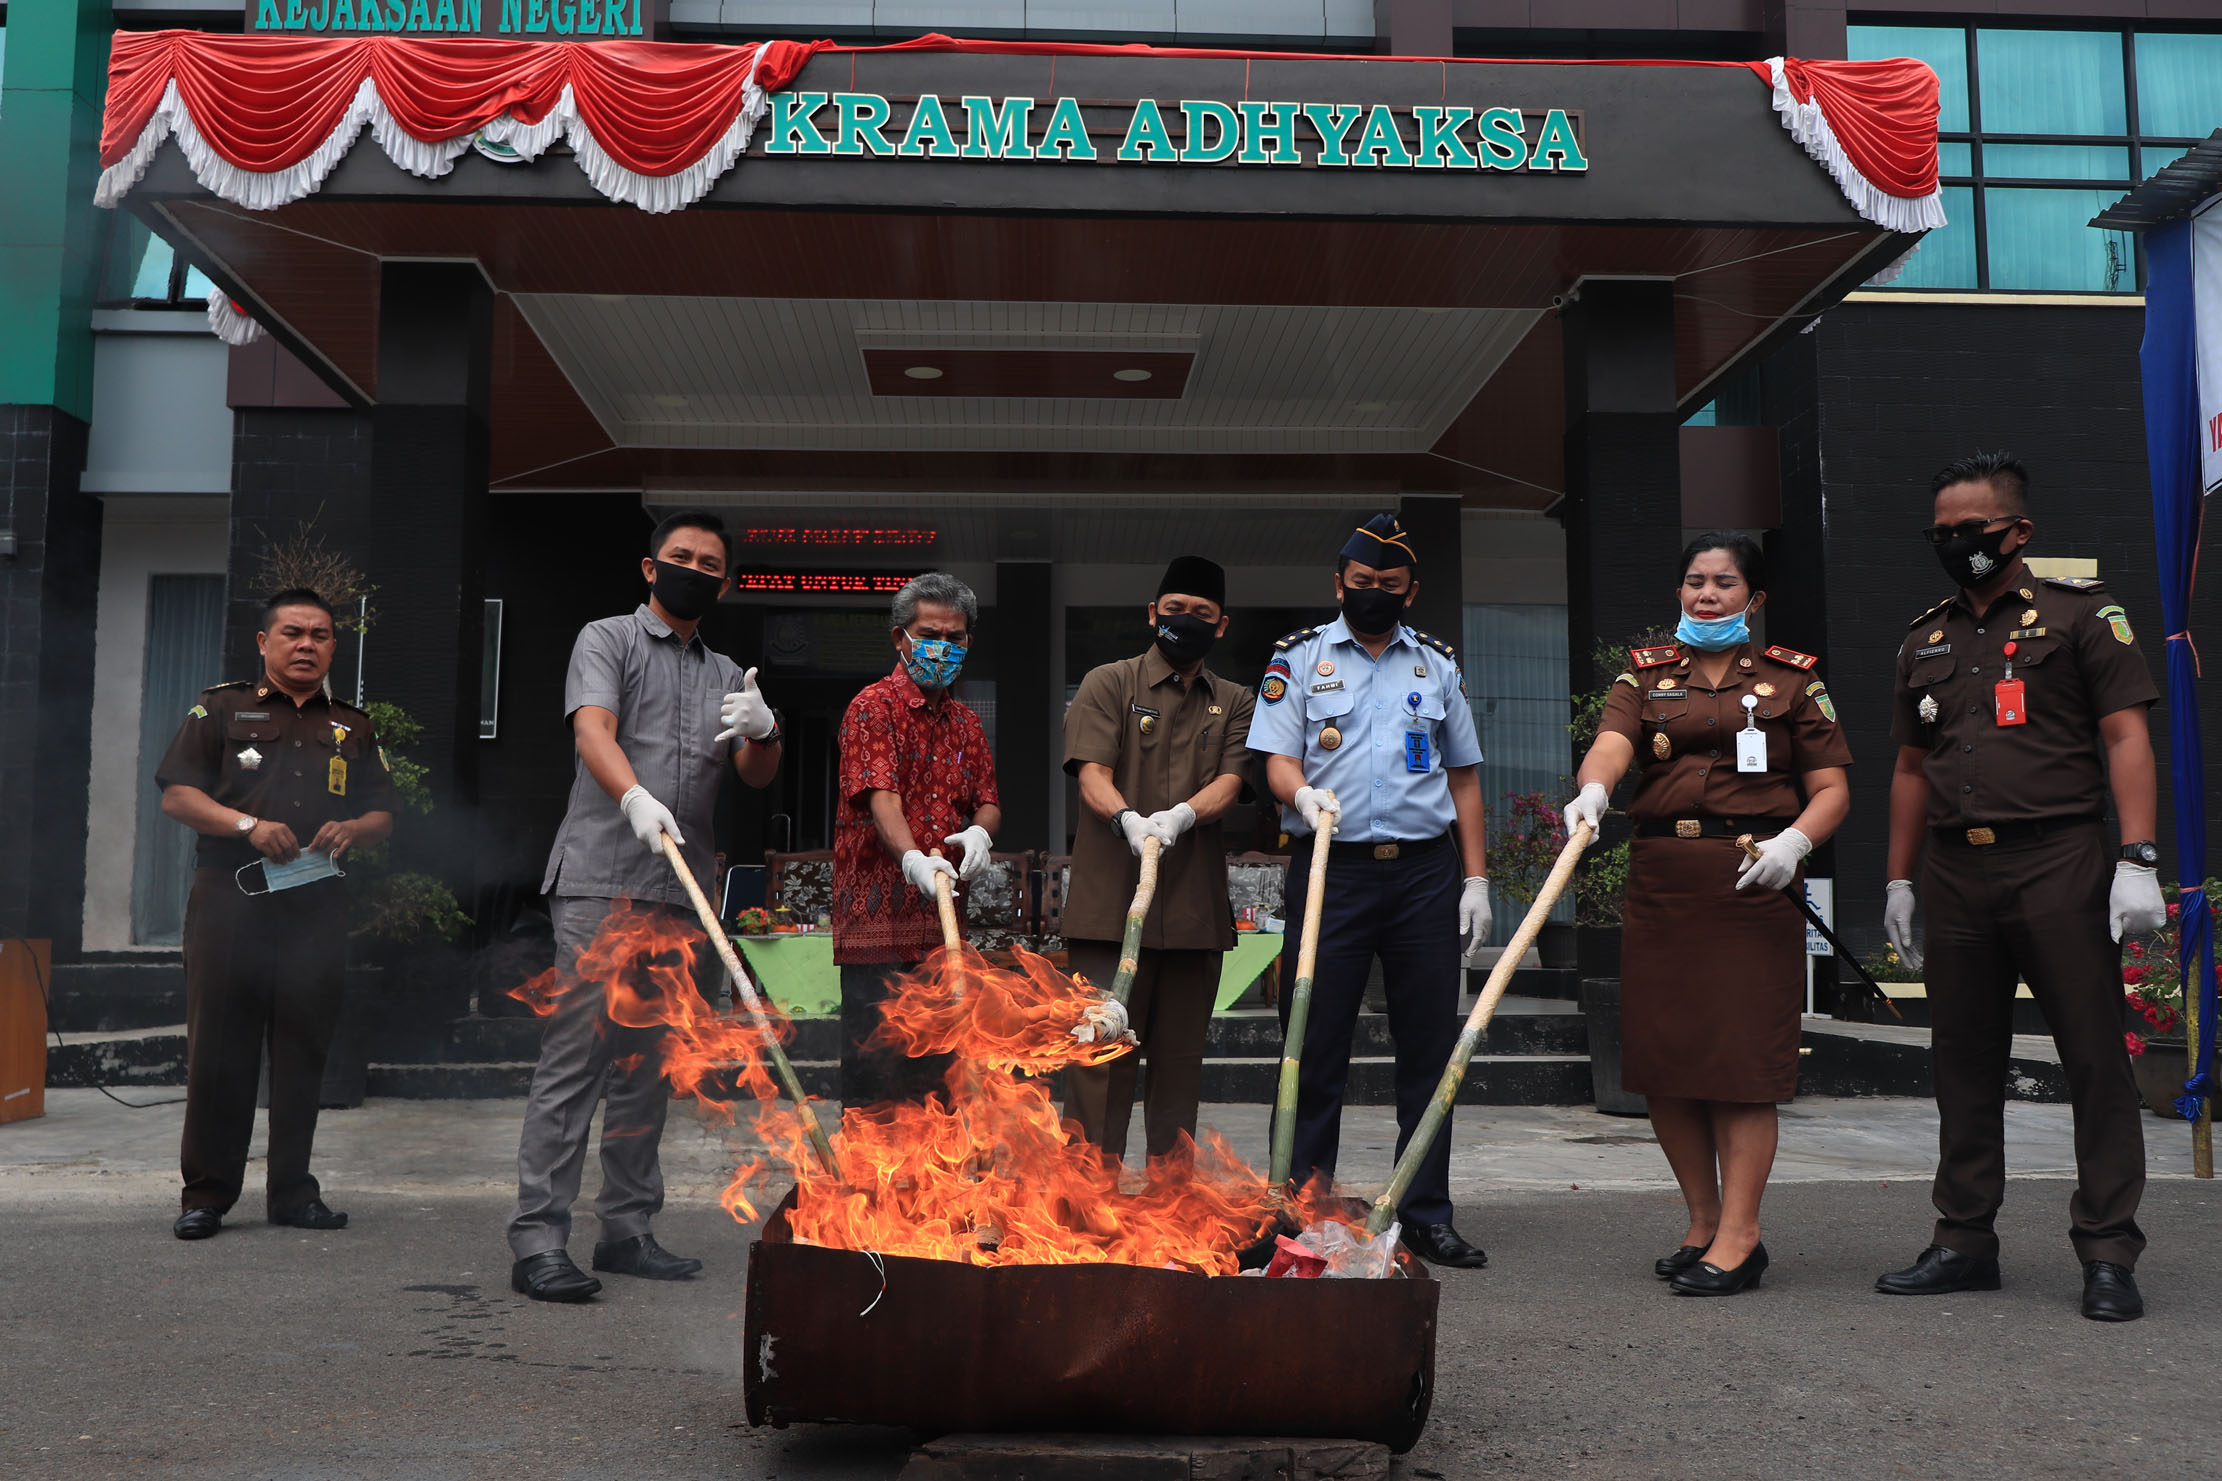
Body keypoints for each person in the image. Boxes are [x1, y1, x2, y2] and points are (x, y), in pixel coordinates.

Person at [1875, 451, 2164, 1322]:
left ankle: (2109, 1250)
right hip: (1957, 869)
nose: (1955, 543)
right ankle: (1964, 1239)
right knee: (1961, 1059)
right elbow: (1910, 766)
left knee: (2092, 1057)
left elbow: (2124, 737)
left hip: (2059, 860)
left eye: (1972, 530)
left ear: (2018, 531)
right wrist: (1897, 877)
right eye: (1942, 533)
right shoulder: (1924, 638)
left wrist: (2139, 855)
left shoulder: (2082, 617)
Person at [507, 510, 784, 1303]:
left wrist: (768, 731)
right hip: (603, 877)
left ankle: (627, 1227)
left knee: (646, 1068)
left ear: (725, 583)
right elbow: (593, 729)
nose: (695, 568)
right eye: (681, 556)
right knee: (578, 1058)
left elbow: (757, 774)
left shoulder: (730, 671)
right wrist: (631, 795)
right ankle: (537, 1239)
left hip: (683, 888)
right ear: (650, 566)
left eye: (710, 562)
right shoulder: (609, 639)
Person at [1563, 533, 1851, 1296]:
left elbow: (1832, 788)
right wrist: (1594, 790)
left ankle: (1743, 1235)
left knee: (1741, 1068)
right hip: (1664, 881)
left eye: (1725, 582)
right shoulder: (1647, 673)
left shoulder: (1792, 681)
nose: (1706, 594)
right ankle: (1703, 1219)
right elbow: (1613, 743)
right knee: (1666, 1062)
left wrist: (1796, 841)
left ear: (1753, 599)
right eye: (1694, 581)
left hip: (1754, 883)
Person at [1247, 513, 1492, 1269]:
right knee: (1314, 1045)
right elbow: (1277, 760)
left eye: (1388, 586)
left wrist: (1476, 878)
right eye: (1361, 584)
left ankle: (1423, 1212)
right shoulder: (1299, 659)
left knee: (1428, 1047)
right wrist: (1305, 796)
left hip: (1424, 871)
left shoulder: (1437, 667)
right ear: (1338, 584)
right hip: (1334, 868)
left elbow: (1463, 776)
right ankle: (1298, 1209)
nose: (1373, 595)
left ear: (1410, 590)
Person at [155, 589, 398, 1240]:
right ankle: (206, 1193)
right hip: (231, 890)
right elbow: (177, 794)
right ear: (264, 643)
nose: (306, 644)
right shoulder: (221, 707)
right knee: (219, 1046)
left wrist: (355, 829)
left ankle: (293, 1191)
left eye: (320, 635)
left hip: (316, 897)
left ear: (333, 648)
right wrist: (247, 823)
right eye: (292, 633)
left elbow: (384, 813)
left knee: (303, 1045)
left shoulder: (352, 724)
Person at [1061, 556, 1255, 1162]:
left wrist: (1181, 815)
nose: (1186, 622)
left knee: (1178, 1077)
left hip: (1193, 915)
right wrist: (1126, 818)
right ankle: (1084, 1211)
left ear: (1221, 625)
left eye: (1201, 614)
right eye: (1174, 610)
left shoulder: (1236, 700)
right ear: (1152, 614)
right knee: (1098, 1067)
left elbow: (1231, 782)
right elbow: (1091, 773)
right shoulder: (1108, 683)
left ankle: (1169, 1217)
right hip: (1107, 914)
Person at [832, 572, 1001, 1107]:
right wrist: (910, 860)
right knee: (877, 1080)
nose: (942, 648)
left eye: (955, 638)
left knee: (940, 1080)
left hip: (943, 931)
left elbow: (988, 801)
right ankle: (867, 1190)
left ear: (968, 641)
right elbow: (881, 798)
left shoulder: (967, 725)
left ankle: (938, 1189)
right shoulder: (872, 707)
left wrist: (980, 832)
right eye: (930, 634)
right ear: (899, 637)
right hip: (876, 930)